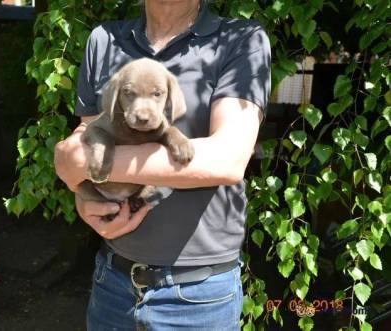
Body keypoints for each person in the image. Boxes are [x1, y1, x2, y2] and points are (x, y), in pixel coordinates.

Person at [54, 0, 271, 329]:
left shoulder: (241, 40)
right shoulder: (104, 40)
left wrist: (80, 163)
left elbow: (227, 159)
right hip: (113, 281)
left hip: (199, 293)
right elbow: (88, 136)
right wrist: (85, 197)